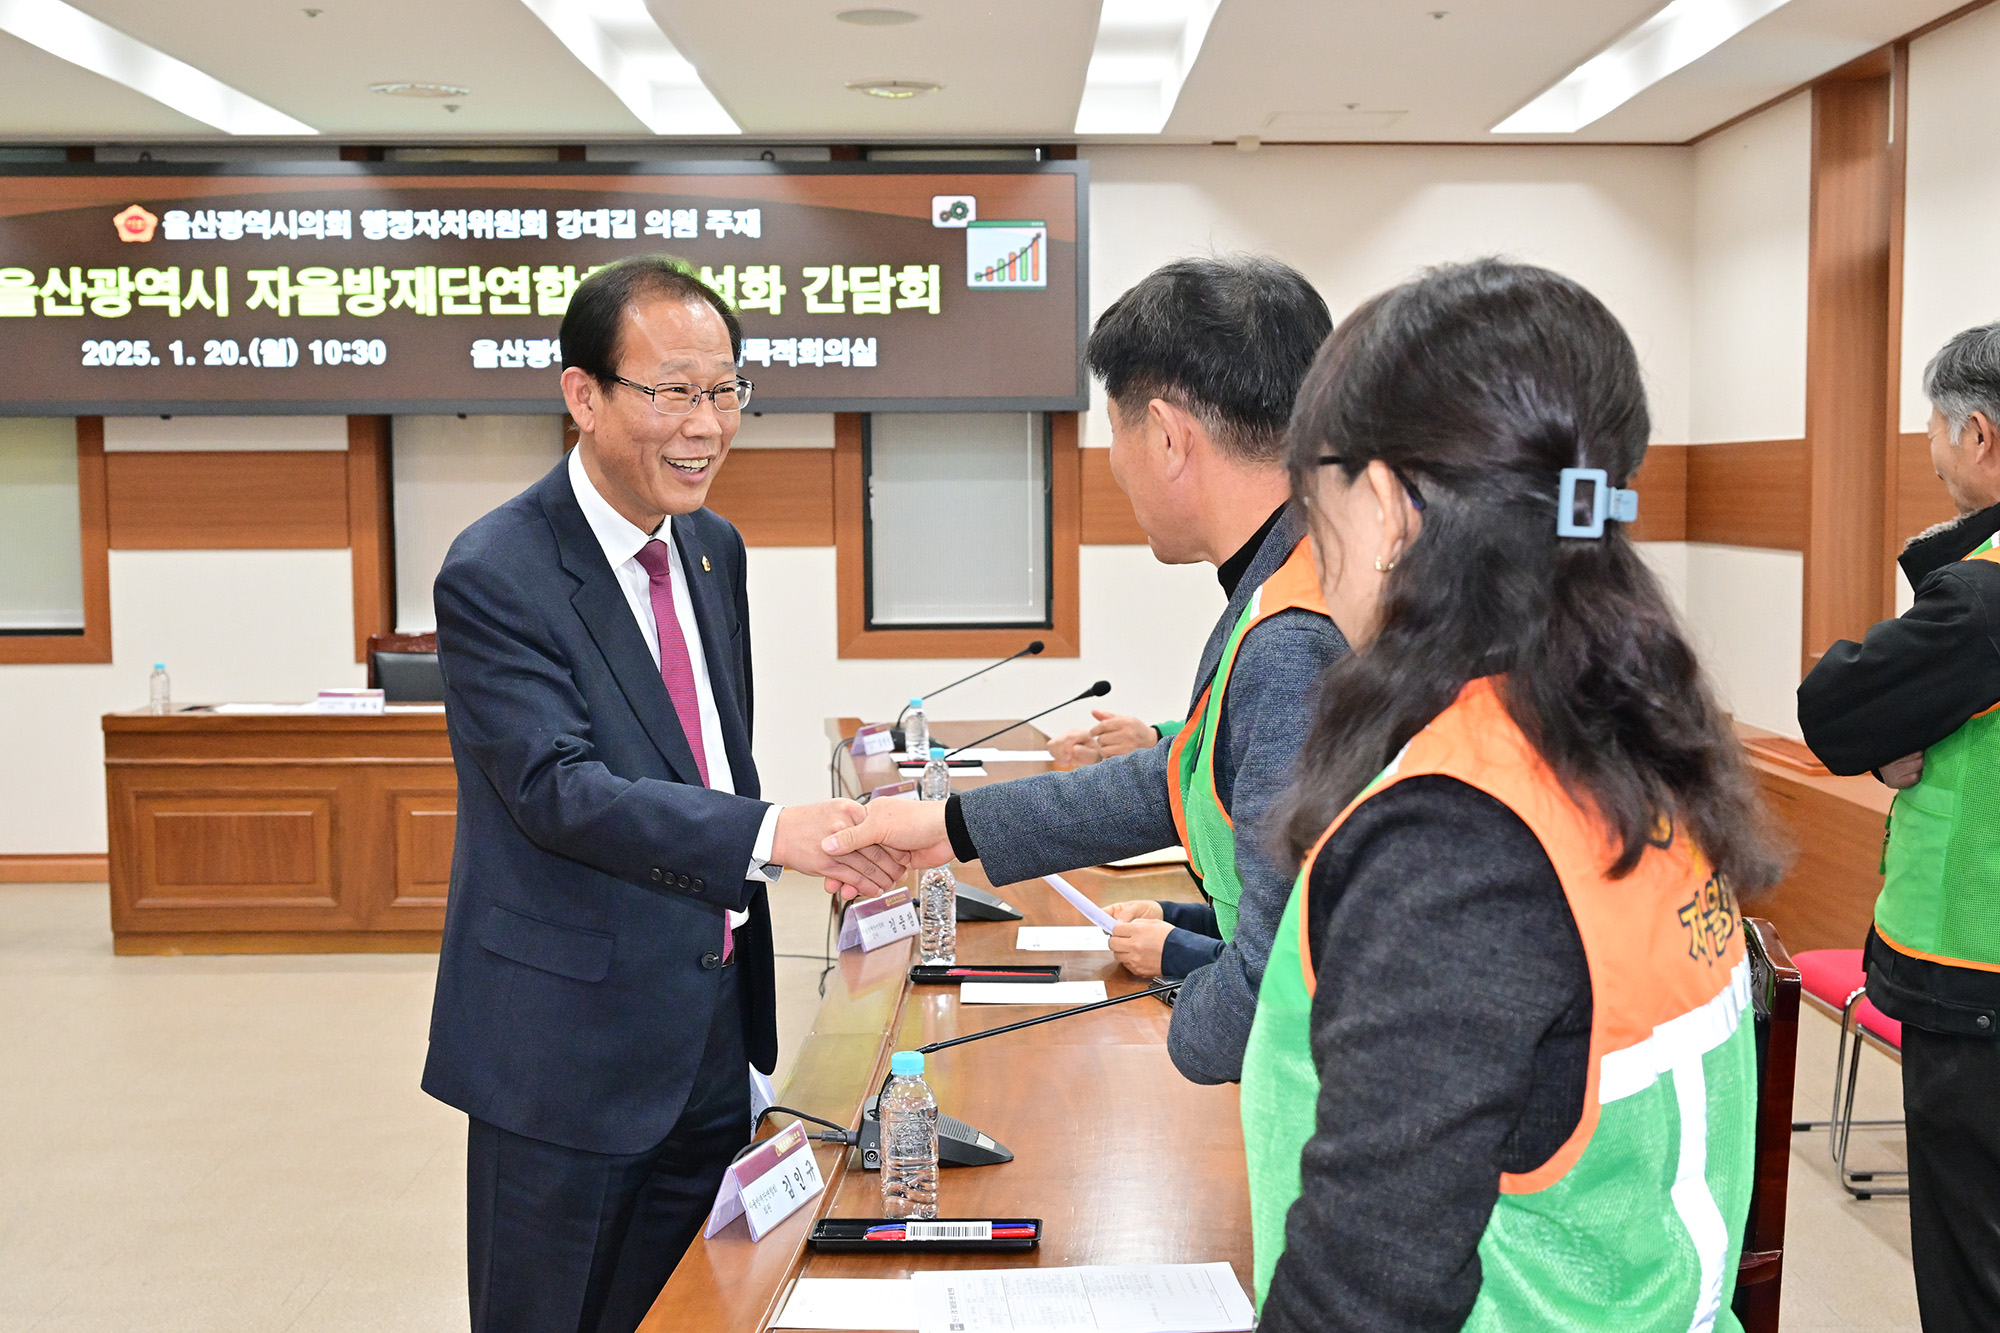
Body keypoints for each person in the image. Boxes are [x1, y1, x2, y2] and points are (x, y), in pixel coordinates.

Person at [1241, 259, 1781, 1331]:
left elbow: (1366, 1291)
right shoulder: (1624, 747)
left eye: (1317, 497)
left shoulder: (1455, 839)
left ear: (1388, 504)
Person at [421, 256, 905, 1333]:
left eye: (726, 390)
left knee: (694, 1313)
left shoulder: (710, 549)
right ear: (583, 395)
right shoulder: (499, 568)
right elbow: (559, 790)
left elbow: (703, 766)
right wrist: (777, 832)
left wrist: (804, 844)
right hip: (564, 1056)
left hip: (709, 1030)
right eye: (674, 391)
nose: (708, 424)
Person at [824, 255, 1347, 1084]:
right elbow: (1180, 780)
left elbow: (1285, 976)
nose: (1114, 465)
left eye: (1118, 432)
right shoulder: (1303, 569)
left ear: (1169, 435)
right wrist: (947, 827)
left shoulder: (1293, 637)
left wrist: (1179, 1018)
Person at [1797, 322, 2000, 1329]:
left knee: (1971, 1268)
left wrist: (1886, 730)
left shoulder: (1978, 598)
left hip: (1974, 983)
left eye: (1929, 426)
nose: (1927, 448)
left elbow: (1831, 707)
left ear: (1975, 434)